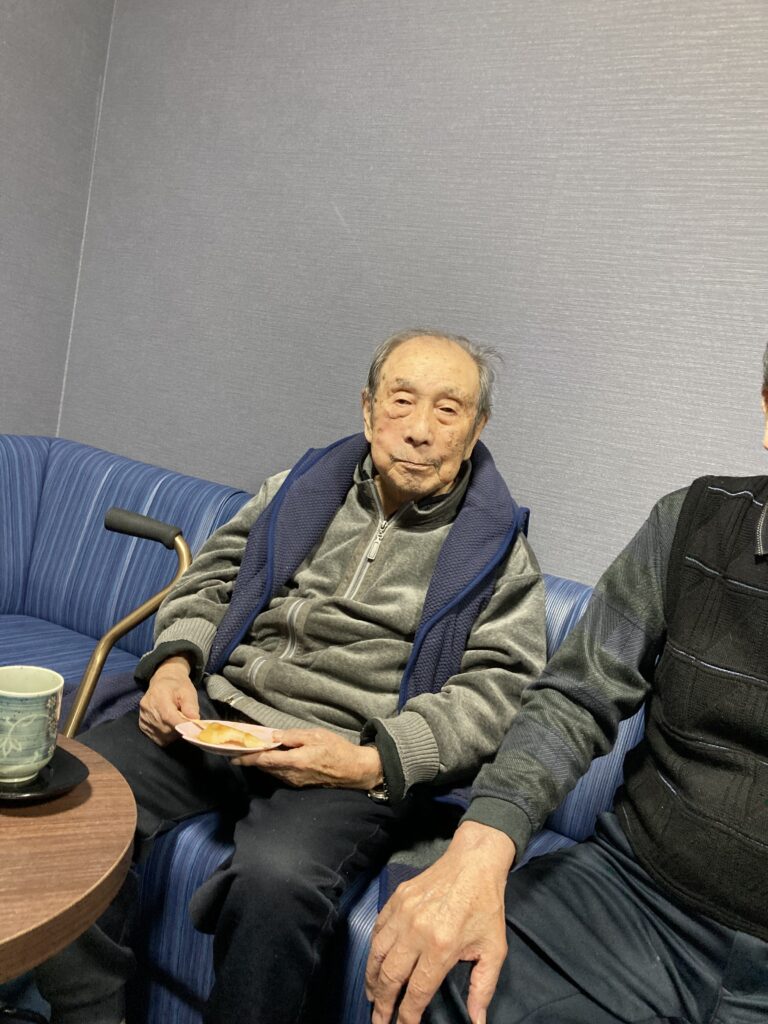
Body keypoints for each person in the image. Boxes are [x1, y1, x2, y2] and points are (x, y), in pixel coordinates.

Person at [34, 328, 546, 1024]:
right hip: (221, 714)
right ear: (368, 409)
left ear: (477, 427)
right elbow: (210, 579)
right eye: (401, 401)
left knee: (276, 882)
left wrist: (371, 761)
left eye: (448, 410)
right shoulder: (301, 488)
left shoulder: (498, 551)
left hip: (346, 754)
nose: (420, 429)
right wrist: (176, 663)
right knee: (74, 801)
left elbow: (499, 689)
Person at [366, 345, 768, 1024]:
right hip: (633, 902)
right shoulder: (690, 523)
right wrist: (482, 843)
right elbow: (576, 694)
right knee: (447, 983)